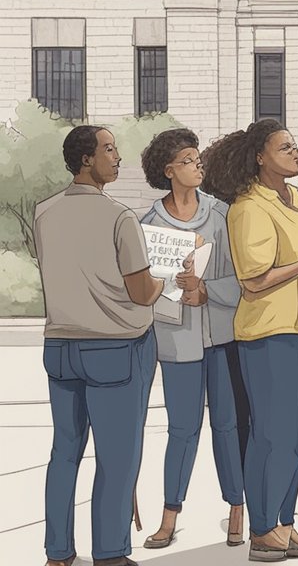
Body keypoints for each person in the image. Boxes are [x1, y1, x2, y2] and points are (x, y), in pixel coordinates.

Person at [204, 119, 298, 562]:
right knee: (271, 434)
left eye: (295, 146)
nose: (295, 153)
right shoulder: (249, 208)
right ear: (259, 157)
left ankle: (285, 523)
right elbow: (255, 280)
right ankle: (263, 528)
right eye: (285, 148)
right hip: (268, 332)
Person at [37, 125, 165, 566]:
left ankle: (58, 552)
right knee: (116, 456)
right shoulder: (120, 217)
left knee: (64, 452)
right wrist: (164, 276)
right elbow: (142, 292)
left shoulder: (44, 212)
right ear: (87, 159)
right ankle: (110, 553)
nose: (117, 157)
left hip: (60, 346)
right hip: (115, 348)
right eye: (110, 150)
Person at [138, 129, 246, 549]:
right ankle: (169, 516)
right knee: (182, 429)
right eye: (188, 159)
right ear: (168, 171)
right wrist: (169, 291)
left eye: (197, 158)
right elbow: (143, 289)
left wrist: (208, 291)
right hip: (176, 340)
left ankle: (237, 507)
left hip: (221, 336)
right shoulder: (148, 225)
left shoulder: (221, 214)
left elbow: (243, 282)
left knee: (227, 424)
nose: (197, 165)